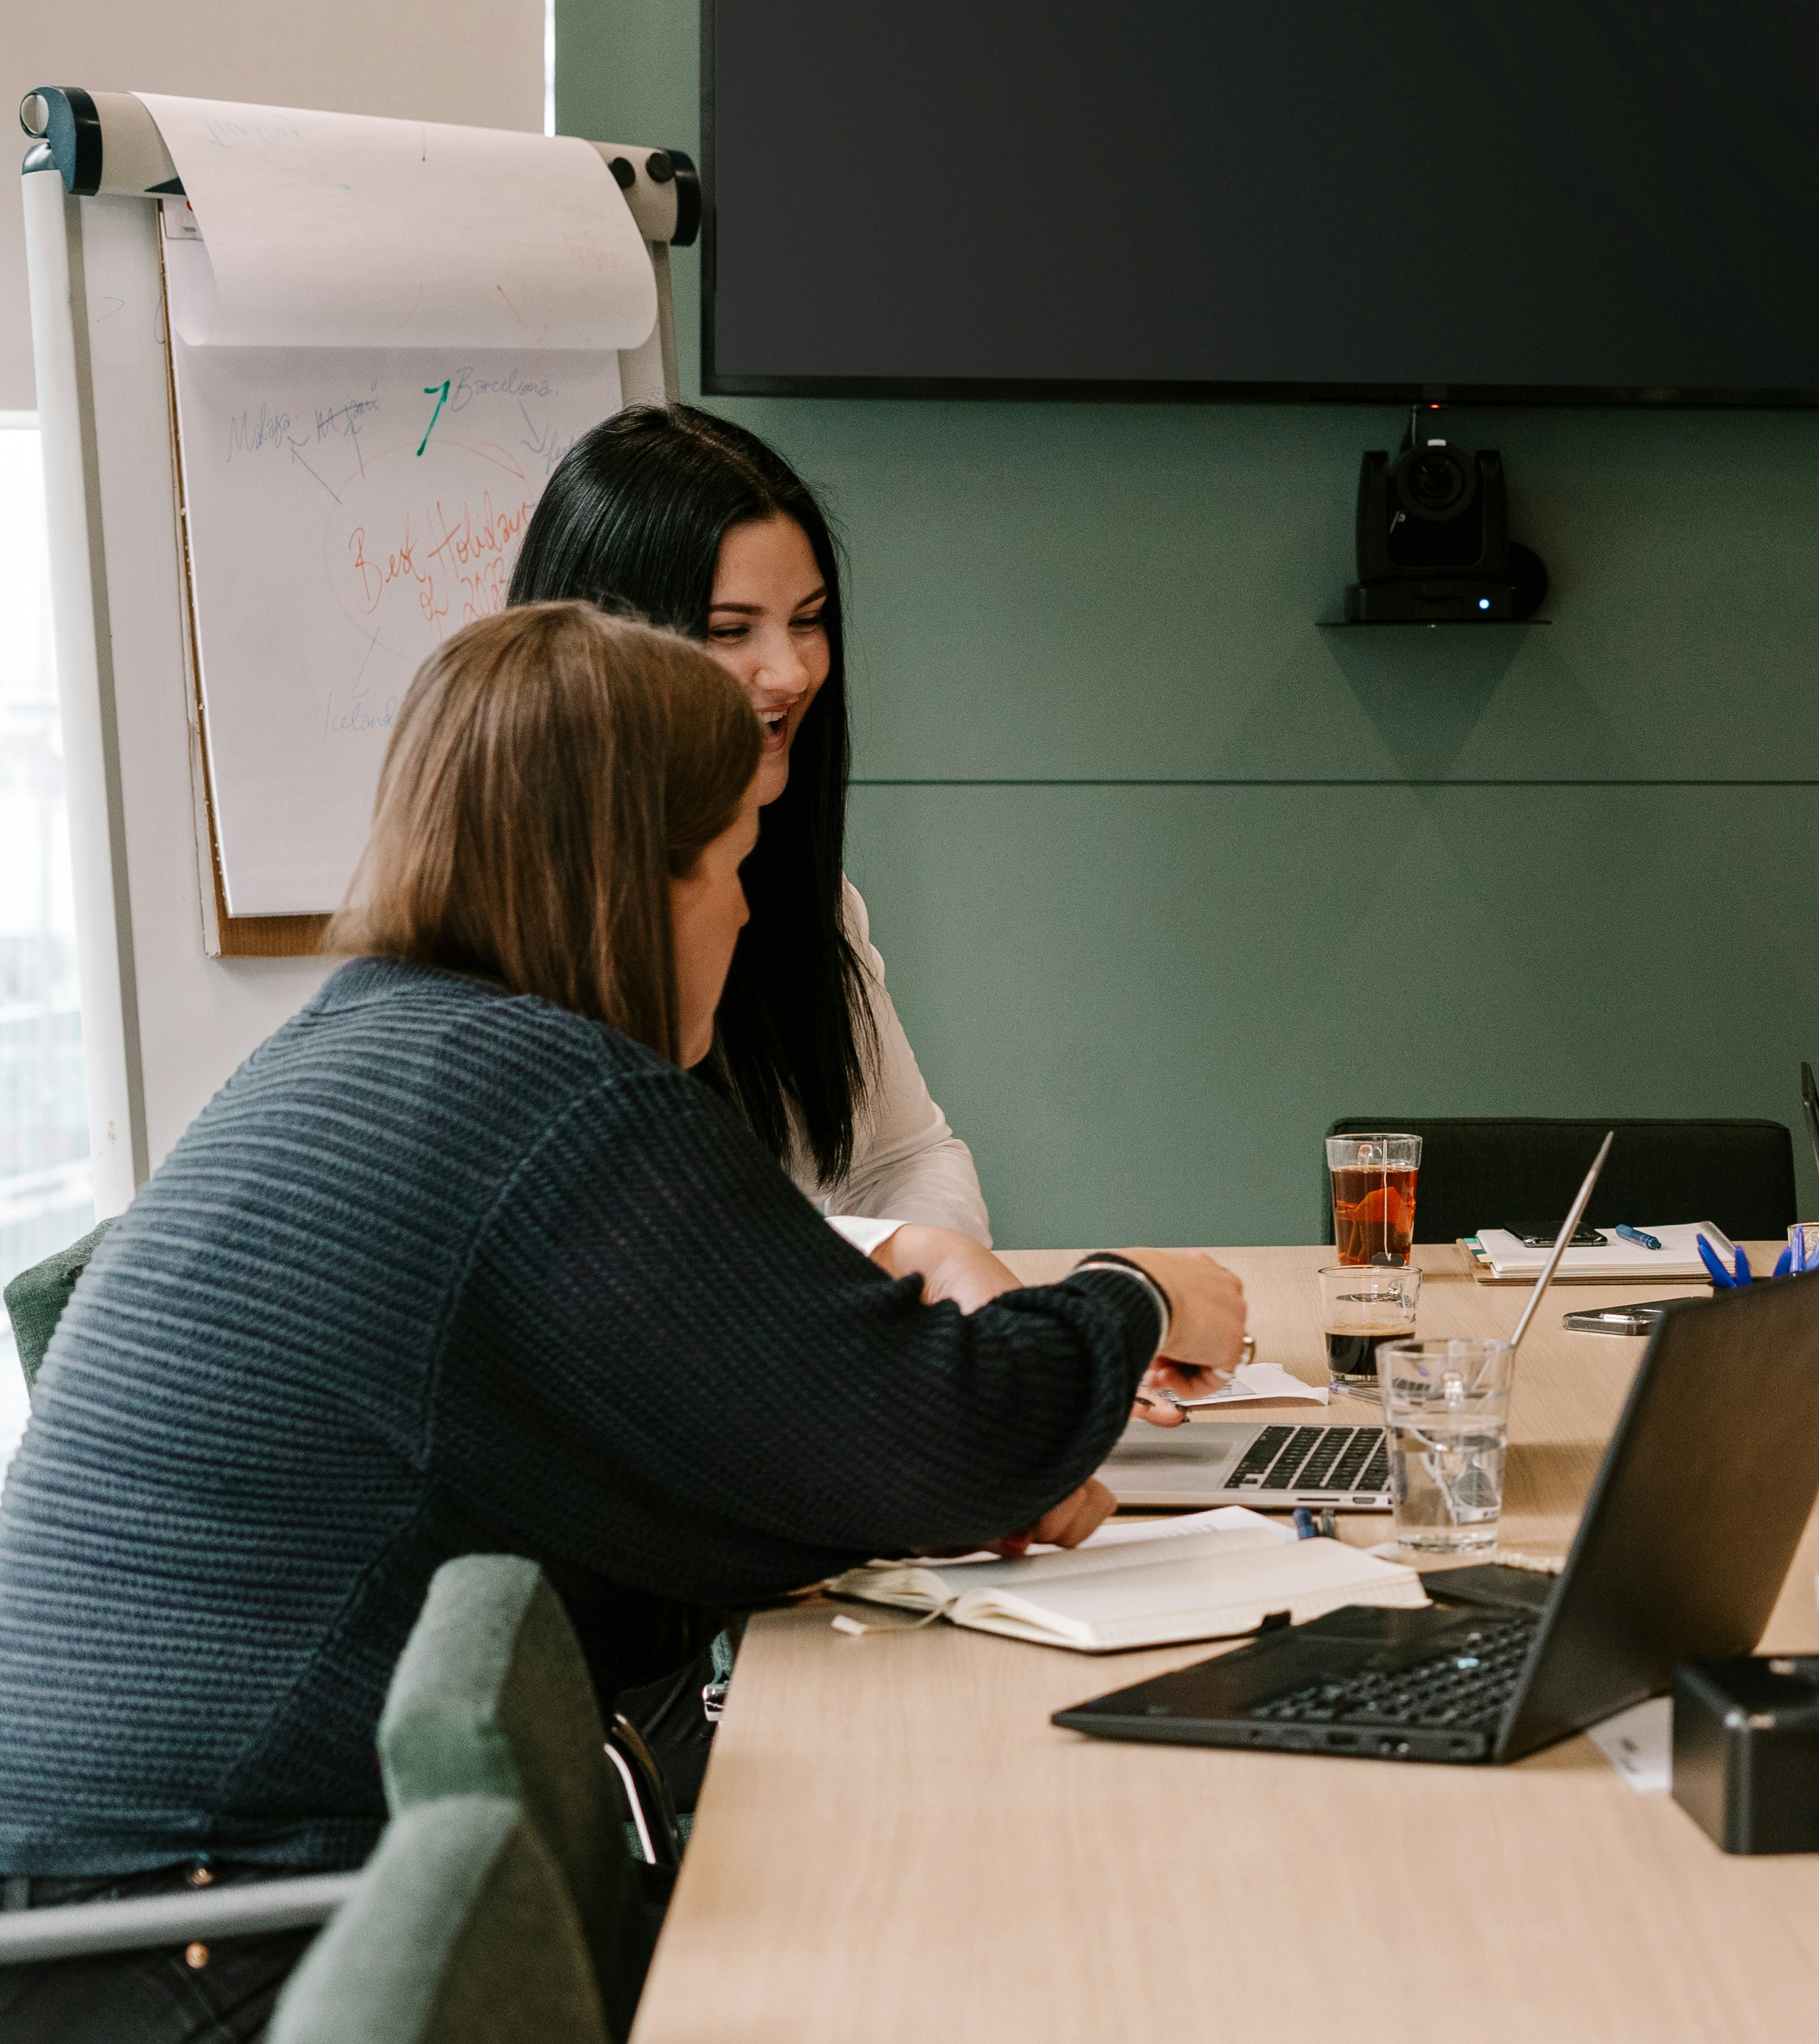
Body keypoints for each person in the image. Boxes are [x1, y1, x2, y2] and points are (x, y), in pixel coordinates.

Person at [0, 604, 1244, 2041]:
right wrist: (1134, 1291)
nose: (742, 908)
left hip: (105, 1894)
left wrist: (880, 1478)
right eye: (729, 860)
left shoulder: (372, 1042)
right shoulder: (551, 1104)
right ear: (627, 881)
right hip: (196, 1933)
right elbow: (946, 1429)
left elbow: (765, 1432)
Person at [508, 403, 1006, 1301]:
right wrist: (910, 1270)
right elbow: (657, 1272)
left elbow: (907, 1155)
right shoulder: (523, 948)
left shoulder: (797, 883)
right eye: (731, 631)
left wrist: (934, 1290)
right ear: (602, 651)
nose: (791, 673)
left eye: (809, 620)